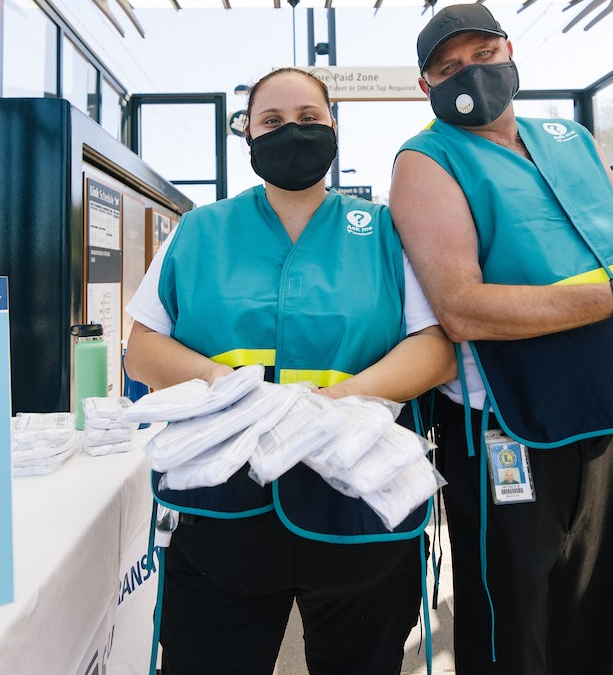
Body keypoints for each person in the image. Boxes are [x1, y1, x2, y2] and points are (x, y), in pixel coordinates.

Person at [389, 4, 613, 674]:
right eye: (448, 66)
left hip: (599, 411)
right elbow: (462, 309)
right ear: (425, 86)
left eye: (482, 55)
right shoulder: (427, 161)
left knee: (600, 598)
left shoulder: (569, 138)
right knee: (512, 624)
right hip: (505, 428)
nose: (470, 73)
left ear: (509, 51)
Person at [124, 67, 457, 675]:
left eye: (309, 118)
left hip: (361, 505)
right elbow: (143, 349)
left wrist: (327, 409)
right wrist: (248, 397)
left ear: (335, 125)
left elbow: (434, 347)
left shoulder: (384, 231)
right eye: (271, 122)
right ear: (247, 135)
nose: (292, 132)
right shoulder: (201, 230)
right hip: (222, 508)